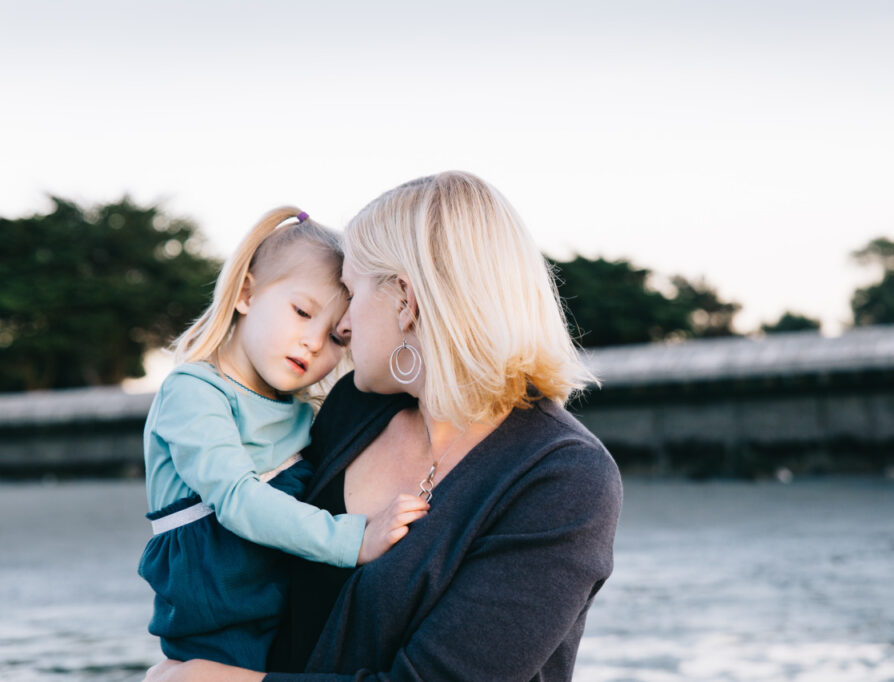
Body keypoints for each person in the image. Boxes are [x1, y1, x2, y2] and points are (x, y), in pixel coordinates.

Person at [145, 172, 622, 682]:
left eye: (350, 292)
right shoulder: (353, 409)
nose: (344, 326)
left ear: (405, 300)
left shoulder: (565, 478)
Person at [138, 207, 429, 671]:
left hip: (287, 621)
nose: (314, 342)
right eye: (301, 312)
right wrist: (353, 540)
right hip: (218, 622)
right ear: (246, 293)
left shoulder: (304, 415)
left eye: (337, 338)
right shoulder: (194, 391)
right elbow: (237, 499)